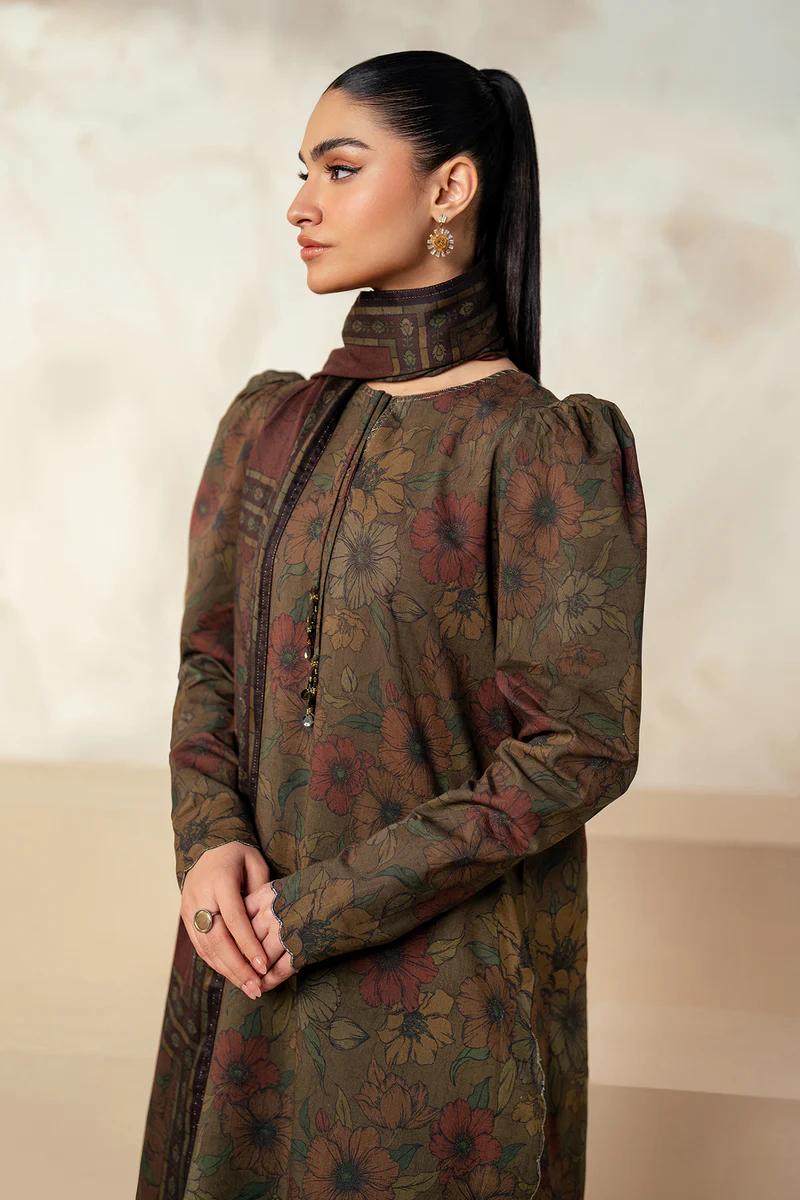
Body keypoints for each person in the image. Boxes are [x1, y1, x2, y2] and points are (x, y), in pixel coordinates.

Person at [136, 49, 647, 1200]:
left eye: (338, 167)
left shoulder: (540, 446)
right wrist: (207, 840)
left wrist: (321, 908)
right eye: (302, 172)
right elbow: (209, 658)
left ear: (449, 188)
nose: (299, 204)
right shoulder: (266, 423)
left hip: (444, 1001)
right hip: (245, 965)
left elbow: (578, 746)